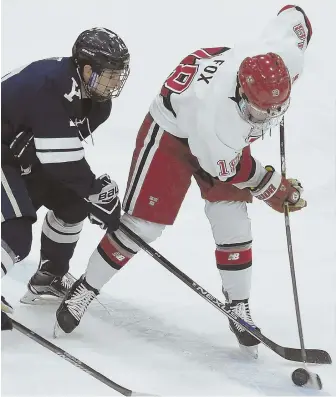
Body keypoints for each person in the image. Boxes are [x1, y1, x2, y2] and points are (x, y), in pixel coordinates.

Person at [56, 5, 312, 357]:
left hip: (220, 135)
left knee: (232, 221)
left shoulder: (285, 60)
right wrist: (272, 186)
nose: (266, 118)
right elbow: (231, 169)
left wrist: (297, 26)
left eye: (276, 110)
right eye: (257, 112)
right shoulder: (216, 121)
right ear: (240, 91)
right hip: (172, 132)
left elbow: (295, 17)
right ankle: (86, 288)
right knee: (141, 226)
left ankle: (238, 306)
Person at [1, 28, 130, 330]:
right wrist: (93, 189)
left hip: (17, 158)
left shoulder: (98, 104)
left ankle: (49, 276)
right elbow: (59, 157)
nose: (114, 83)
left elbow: (58, 154)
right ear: (86, 69)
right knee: (16, 233)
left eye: (117, 75)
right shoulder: (50, 84)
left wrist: (88, 193)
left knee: (73, 204)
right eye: (108, 75)